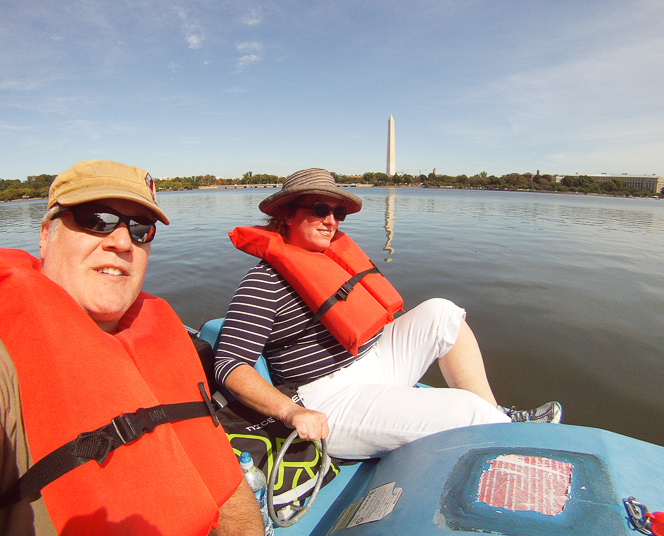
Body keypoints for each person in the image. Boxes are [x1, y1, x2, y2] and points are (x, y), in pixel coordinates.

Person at [0, 160, 263, 536]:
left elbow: (219, 473)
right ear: (46, 235)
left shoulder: (170, 339)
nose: (123, 241)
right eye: (96, 219)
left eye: (141, 228)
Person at [214, 168, 561, 460]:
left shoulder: (329, 260)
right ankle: (503, 437)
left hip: (373, 362)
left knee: (443, 313)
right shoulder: (264, 281)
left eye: (339, 213)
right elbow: (229, 364)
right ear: (286, 214)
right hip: (331, 398)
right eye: (320, 209)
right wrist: (291, 411)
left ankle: (496, 416)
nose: (331, 221)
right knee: (466, 413)